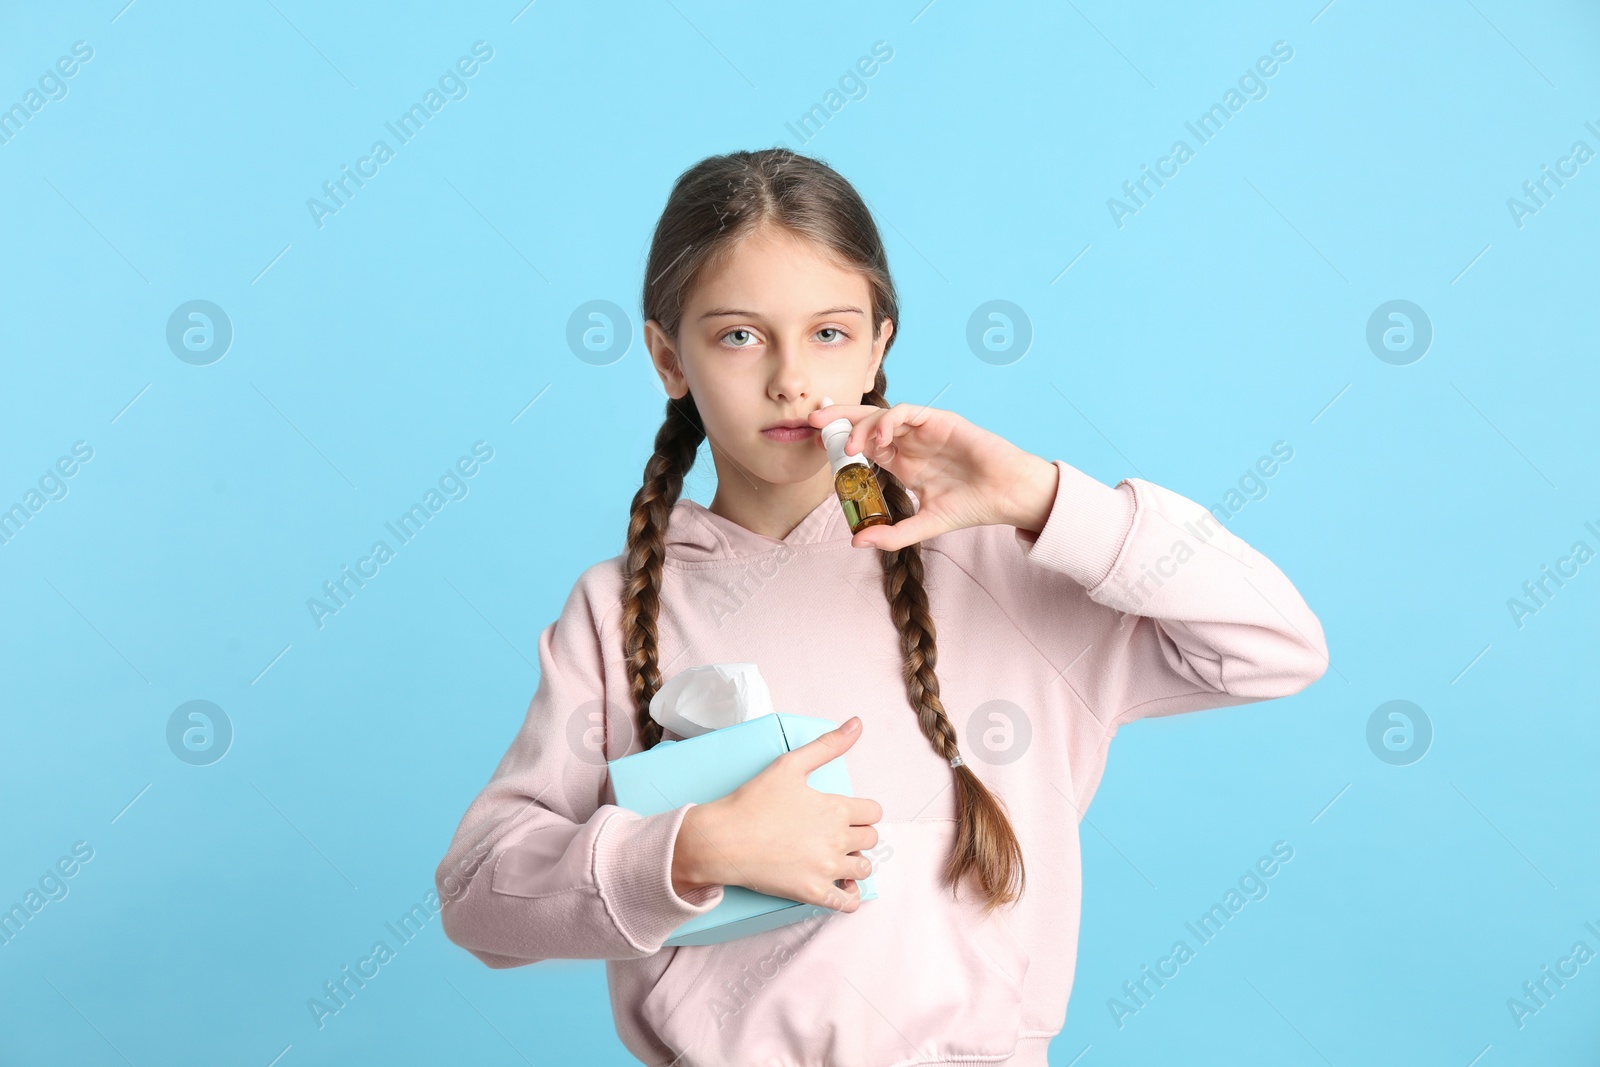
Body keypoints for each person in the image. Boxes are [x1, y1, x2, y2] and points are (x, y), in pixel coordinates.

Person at [433, 147, 1328, 1066]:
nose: (791, 379)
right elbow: (479, 898)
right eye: (739, 335)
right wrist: (691, 848)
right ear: (669, 356)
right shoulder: (621, 606)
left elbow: (1277, 645)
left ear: (879, 344)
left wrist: (1043, 497)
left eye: (829, 332)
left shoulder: (1009, 566)